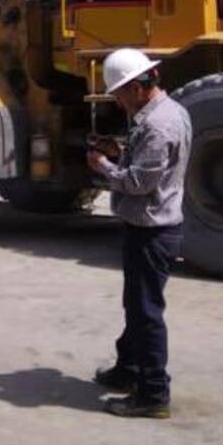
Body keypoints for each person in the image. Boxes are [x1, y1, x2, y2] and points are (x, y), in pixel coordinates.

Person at [86, 47, 190, 419]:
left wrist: (104, 166)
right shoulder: (167, 113)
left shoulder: (158, 126)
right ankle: (128, 369)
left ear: (137, 87)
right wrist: (121, 150)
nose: (117, 102)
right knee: (137, 305)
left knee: (146, 313)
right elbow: (148, 164)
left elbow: (139, 183)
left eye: (118, 94)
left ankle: (153, 393)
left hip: (152, 229)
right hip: (149, 226)